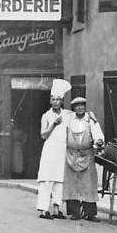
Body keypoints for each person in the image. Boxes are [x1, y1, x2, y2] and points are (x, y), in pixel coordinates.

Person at [35, 79, 73, 220]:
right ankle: (44, 209)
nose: (56, 102)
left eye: (58, 99)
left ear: (62, 101)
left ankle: (57, 208)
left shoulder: (67, 115)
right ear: (50, 101)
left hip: (62, 150)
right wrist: (53, 125)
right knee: (46, 179)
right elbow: (43, 135)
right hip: (50, 149)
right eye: (53, 99)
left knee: (59, 180)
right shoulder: (46, 116)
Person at [63, 96, 105, 221]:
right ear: (74, 108)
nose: (80, 108)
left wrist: (98, 141)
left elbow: (98, 134)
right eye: (77, 106)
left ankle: (90, 213)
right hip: (71, 156)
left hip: (87, 155)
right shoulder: (69, 120)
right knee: (72, 184)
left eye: (82, 105)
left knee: (89, 184)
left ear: (85, 107)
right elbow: (63, 134)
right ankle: (75, 213)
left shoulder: (90, 120)